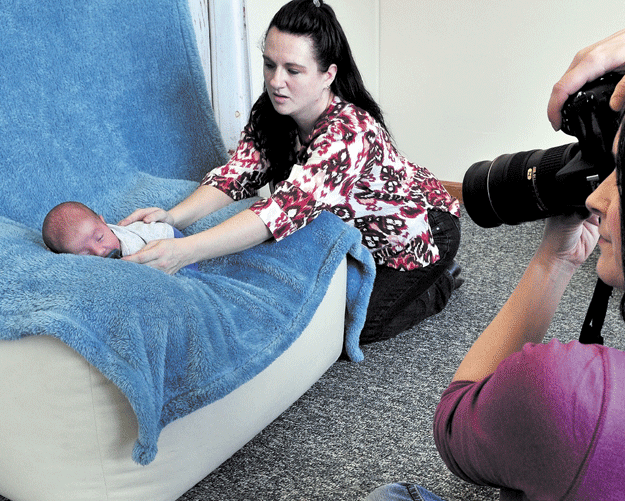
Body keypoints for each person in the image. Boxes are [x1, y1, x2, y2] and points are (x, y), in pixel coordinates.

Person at [358, 24, 625, 501]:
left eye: (623, 173)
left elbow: (454, 422)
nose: (595, 196)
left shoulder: (572, 392)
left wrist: (552, 260)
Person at [118, 0, 462, 344]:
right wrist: (172, 218)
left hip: (418, 237)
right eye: (270, 65)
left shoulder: (347, 133)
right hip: (355, 239)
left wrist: (185, 250)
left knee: (350, 330)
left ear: (328, 74)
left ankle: (440, 283)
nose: (275, 81)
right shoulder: (271, 111)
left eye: (292, 71)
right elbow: (236, 175)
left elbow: (276, 215)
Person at [42, 201, 196, 269]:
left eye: (100, 238)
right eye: (84, 252)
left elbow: (182, 247)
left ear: (104, 223)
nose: (99, 251)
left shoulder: (142, 242)